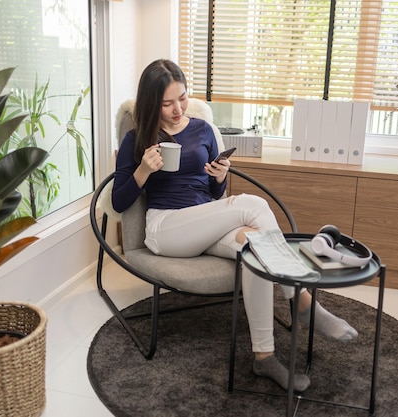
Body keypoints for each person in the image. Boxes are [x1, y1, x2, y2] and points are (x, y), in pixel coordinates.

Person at [112, 59, 358, 392]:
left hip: (206, 220)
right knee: (253, 204)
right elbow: (118, 203)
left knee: (253, 246)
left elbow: (213, 193)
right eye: (167, 103)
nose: (177, 108)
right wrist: (143, 170)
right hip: (166, 229)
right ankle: (302, 301)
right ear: (152, 102)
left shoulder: (201, 129)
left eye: (182, 98)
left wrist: (220, 177)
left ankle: (264, 357)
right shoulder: (136, 138)